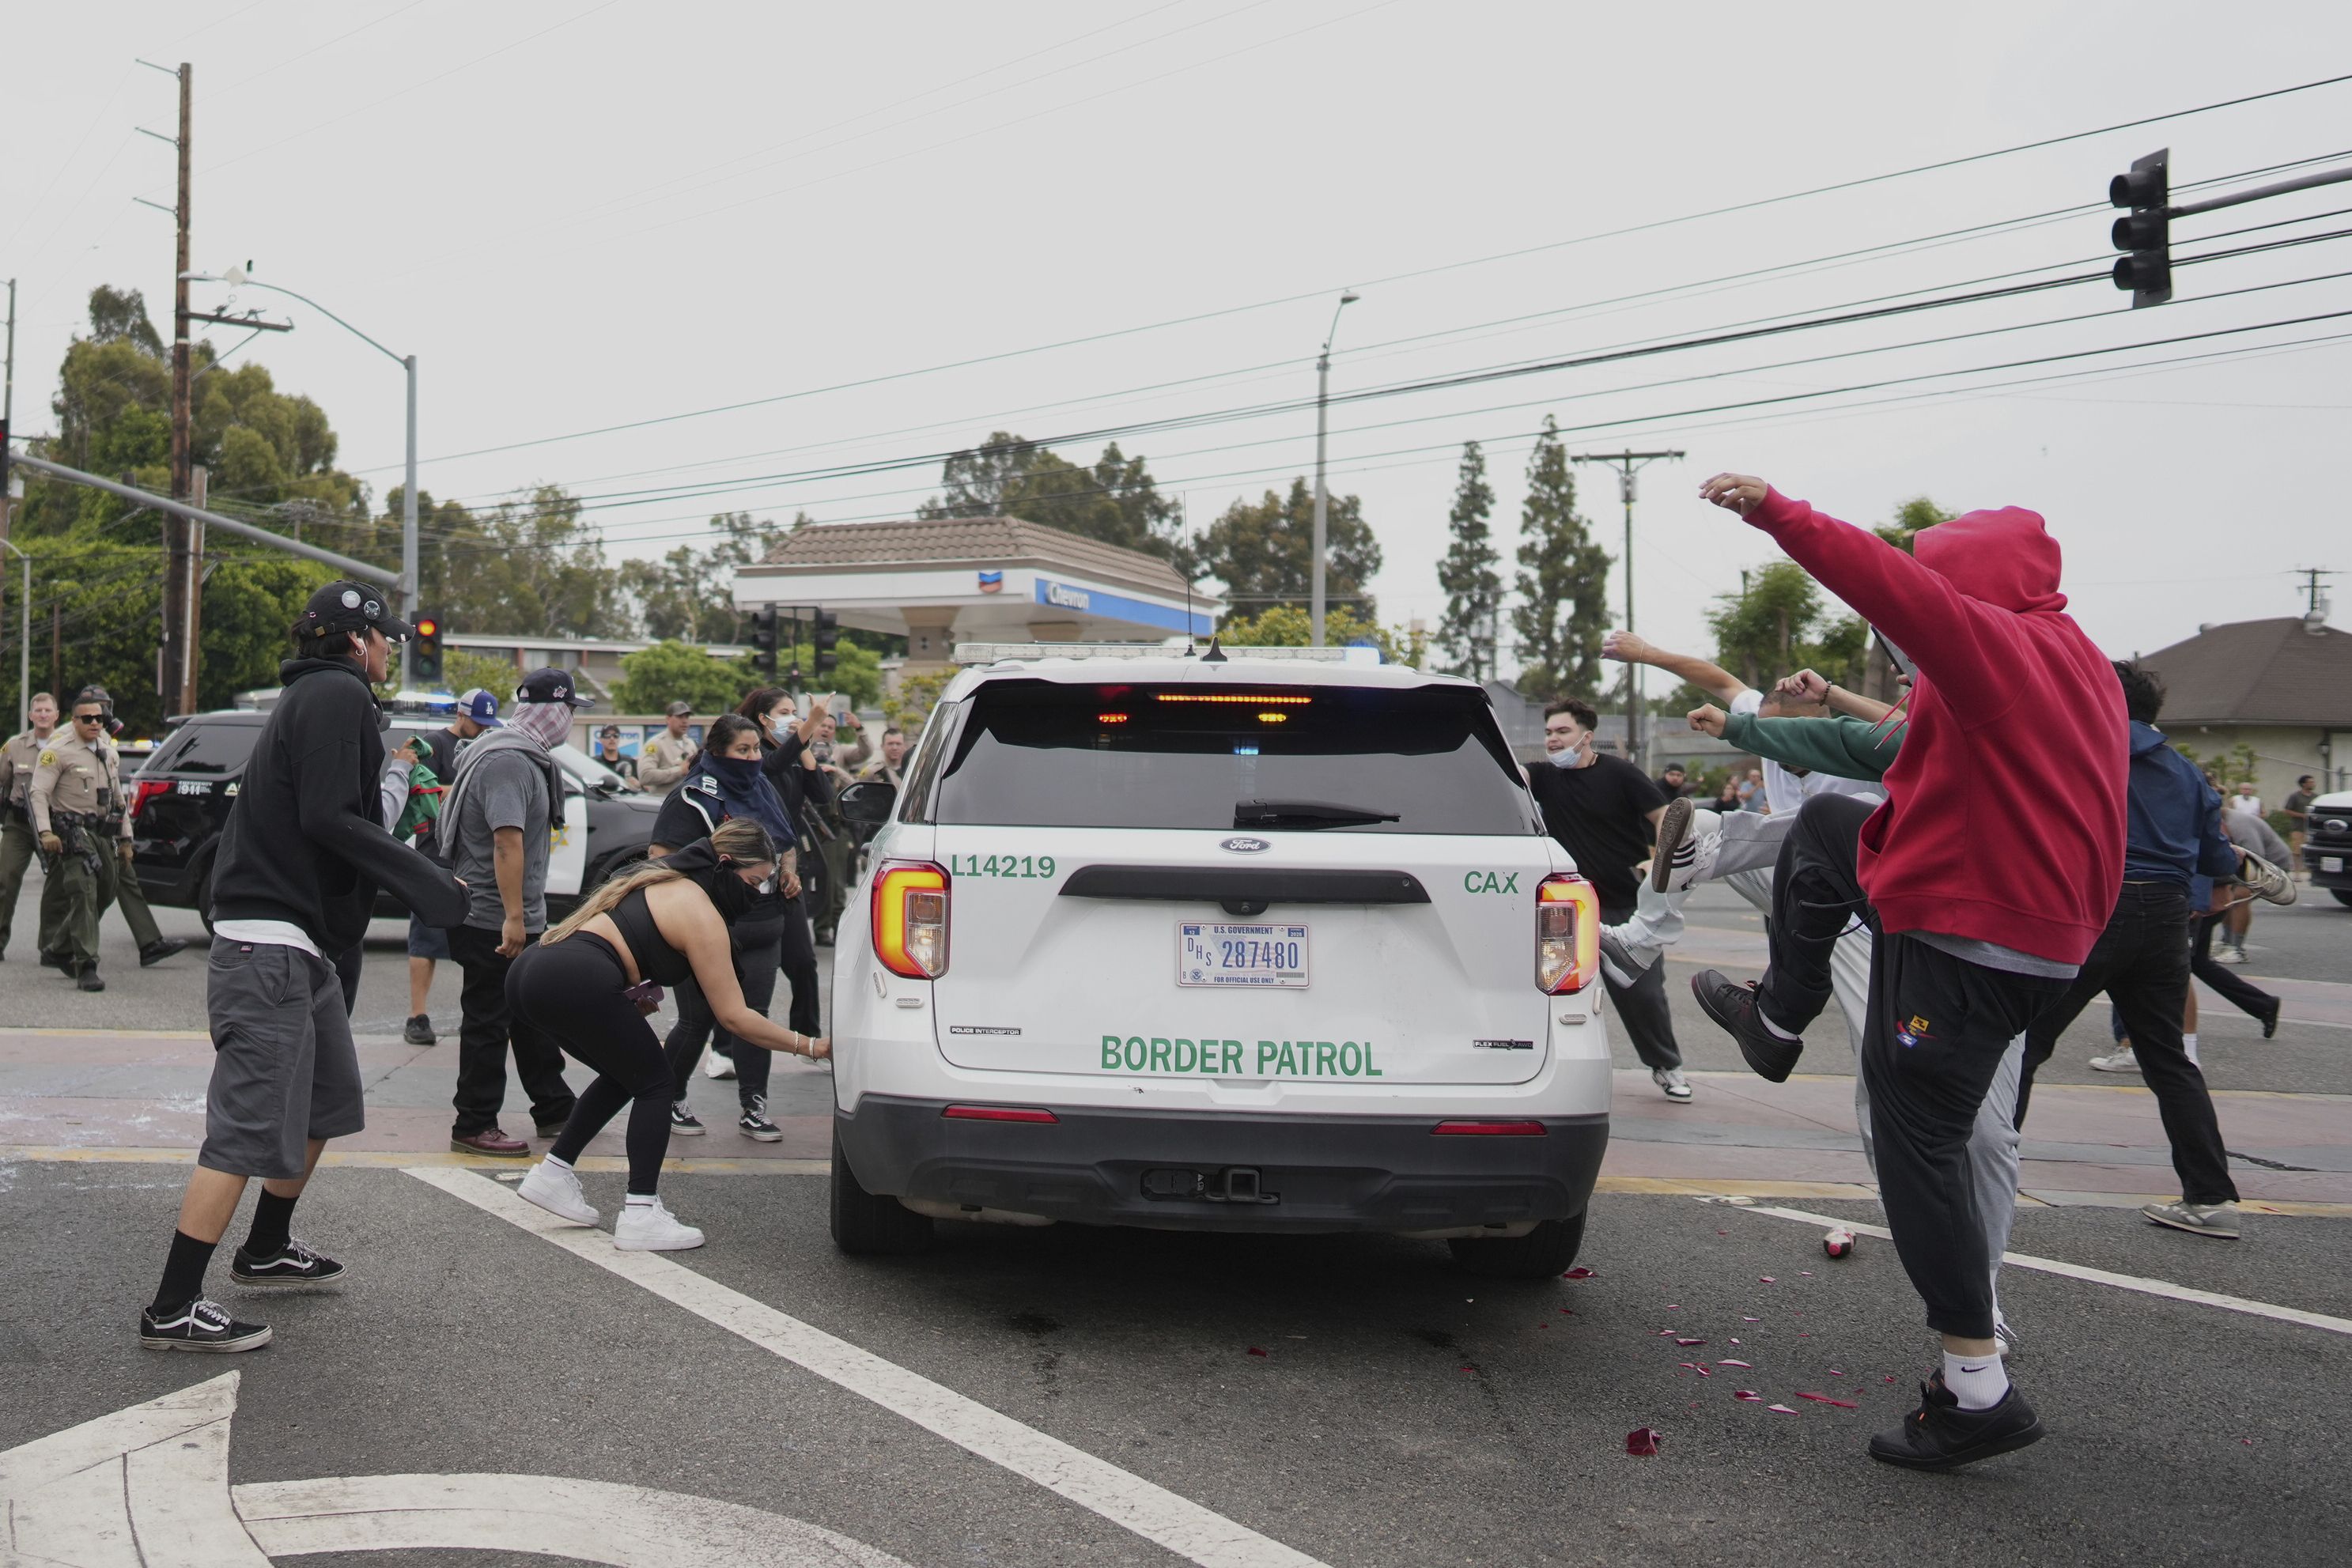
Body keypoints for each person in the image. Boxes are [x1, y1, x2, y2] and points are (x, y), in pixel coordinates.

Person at [1688, 471, 2126, 1470]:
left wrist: (1772, 509)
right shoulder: (2078, 659)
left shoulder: (1991, 646)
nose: (1900, 656)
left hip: (1968, 943)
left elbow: (1886, 584)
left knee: (1915, 1148)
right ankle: (1780, 1016)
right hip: (2038, 936)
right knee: (1829, 826)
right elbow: (1894, 741)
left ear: (1967, 594)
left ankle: (1976, 1387)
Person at [140, 580, 467, 1352]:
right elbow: (330, 817)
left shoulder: (328, 698)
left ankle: (264, 1247)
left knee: (327, 1104)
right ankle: (174, 1304)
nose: (393, 652)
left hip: (301, 947)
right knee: (246, 1129)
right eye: (389, 640)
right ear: (359, 640)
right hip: (267, 949)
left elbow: (325, 826)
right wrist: (429, 885)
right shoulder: (334, 694)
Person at [2015, 663, 2287, 1240]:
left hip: (2095, 909)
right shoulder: (2188, 773)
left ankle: (1980, 1176)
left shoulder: (2078, 752)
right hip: (2166, 918)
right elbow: (2219, 863)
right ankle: (2211, 1196)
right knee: (2169, 1061)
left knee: (2023, 1047)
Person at [512, 819, 830, 1249]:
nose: (757, 893)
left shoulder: (663, 877)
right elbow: (735, 1017)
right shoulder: (700, 909)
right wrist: (812, 1046)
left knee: (627, 1074)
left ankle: (553, 1173)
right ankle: (641, 1213)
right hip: (573, 974)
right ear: (724, 864)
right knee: (658, 1082)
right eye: (754, 881)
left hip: (533, 971)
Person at [443, 667, 588, 1156]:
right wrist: (514, 918)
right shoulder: (509, 761)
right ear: (553, 711)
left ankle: (554, 1107)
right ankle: (474, 1123)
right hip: (491, 916)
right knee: (489, 1021)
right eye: (569, 710)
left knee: (530, 1012)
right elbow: (506, 841)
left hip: (512, 913)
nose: (570, 721)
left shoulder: (523, 755)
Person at [1522, 697, 1689, 1101]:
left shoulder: (1621, 774)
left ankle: (1667, 1067)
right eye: (1549, 733)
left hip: (1625, 906)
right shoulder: (1543, 777)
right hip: (1567, 911)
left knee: (1644, 995)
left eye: (1563, 731)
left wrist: (1657, 863)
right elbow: (1507, 775)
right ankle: (1544, 1073)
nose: (1554, 740)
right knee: (1553, 993)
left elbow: (1667, 817)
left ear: (1587, 736)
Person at [651, 714, 808, 1141]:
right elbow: (659, 858)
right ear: (718, 751)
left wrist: (787, 872)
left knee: (754, 1016)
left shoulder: (762, 788)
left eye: (757, 749)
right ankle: (668, 1098)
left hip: (764, 922)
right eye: (743, 750)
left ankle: (754, 1107)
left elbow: (785, 842)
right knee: (697, 1018)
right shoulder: (692, 796)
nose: (754, 758)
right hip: (707, 927)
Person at [30, 687, 189, 990]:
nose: (94, 723)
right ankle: (87, 964)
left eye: (99, 718)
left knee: (106, 890)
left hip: (104, 834)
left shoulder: (108, 752)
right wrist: (45, 832)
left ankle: (60, 946)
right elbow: (38, 793)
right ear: (74, 721)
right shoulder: (57, 751)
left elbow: (117, 799)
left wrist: (126, 840)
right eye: (87, 718)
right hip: (72, 833)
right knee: (84, 891)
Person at [398, 689, 501, 1046]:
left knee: (474, 940)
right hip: (433, 853)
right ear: (461, 715)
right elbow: (421, 789)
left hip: (468, 857)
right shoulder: (435, 743)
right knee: (425, 939)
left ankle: (472, 1015)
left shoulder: (483, 747)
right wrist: (464, 789)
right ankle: (417, 1016)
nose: (481, 728)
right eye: (478, 721)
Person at [0, 692, 60, 959]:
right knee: (5, 877)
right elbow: (3, 780)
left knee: (58, 884)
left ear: (57, 715)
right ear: (30, 715)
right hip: (20, 824)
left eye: (48, 710)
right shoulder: (14, 746)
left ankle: (52, 946)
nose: (43, 715)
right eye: (39, 710)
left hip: (55, 823)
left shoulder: (66, 745)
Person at [2214, 802, 2292, 965]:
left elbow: (2256, 856)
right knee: (2225, 896)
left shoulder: (2239, 823)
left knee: (2240, 897)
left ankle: (2237, 949)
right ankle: (2227, 943)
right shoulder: (2214, 820)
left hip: (2269, 865)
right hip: (2241, 862)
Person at [640, 701, 699, 794]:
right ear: (668, 719)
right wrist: (679, 771)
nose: (684, 721)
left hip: (686, 802)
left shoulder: (691, 744)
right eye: (680, 717)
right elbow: (645, 776)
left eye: (687, 717)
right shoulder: (655, 744)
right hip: (661, 803)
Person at [2282, 774, 2316, 870]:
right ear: (2304, 784)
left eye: (2313, 782)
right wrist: (2302, 816)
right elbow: (2287, 811)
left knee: (2311, 851)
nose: (2313, 784)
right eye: (2310, 782)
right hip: (2298, 828)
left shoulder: (2316, 797)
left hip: (2313, 829)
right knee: (2297, 851)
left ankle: (2311, 871)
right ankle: (2297, 872)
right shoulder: (2295, 796)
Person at [595, 724, 642, 788]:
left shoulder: (629, 761)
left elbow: (642, 786)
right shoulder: (594, 763)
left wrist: (638, 785)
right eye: (607, 735)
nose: (612, 738)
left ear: (619, 739)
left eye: (615, 736)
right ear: (601, 739)